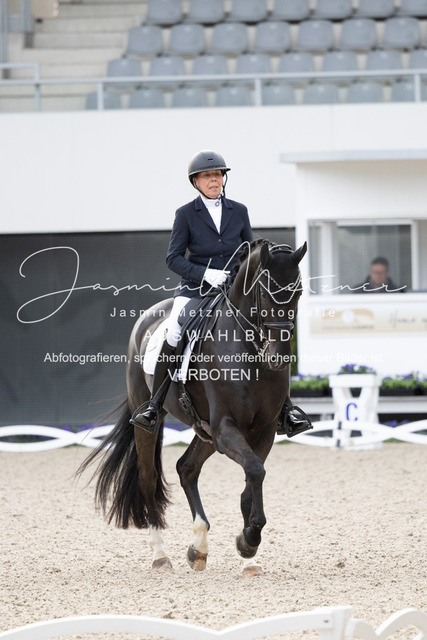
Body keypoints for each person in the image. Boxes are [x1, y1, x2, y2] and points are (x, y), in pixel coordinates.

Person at [131, 150, 311, 435]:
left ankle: (286, 408)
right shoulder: (185, 214)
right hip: (196, 289)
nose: (214, 180)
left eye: (217, 175)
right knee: (174, 330)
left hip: (234, 290)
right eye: (207, 176)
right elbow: (173, 258)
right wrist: (205, 274)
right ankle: (154, 404)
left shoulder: (238, 211)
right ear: (196, 182)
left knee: (268, 331)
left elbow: (250, 250)